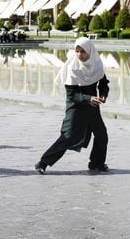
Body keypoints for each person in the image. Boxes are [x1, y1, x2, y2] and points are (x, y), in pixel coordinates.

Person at [34, 37, 109, 174]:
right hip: (76, 108)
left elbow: (103, 83)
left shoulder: (97, 65)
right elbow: (72, 95)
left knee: (101, 135)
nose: (80, 55)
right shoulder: (71, 68)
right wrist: (89, 98)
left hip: (92, 107)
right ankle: (43, 162)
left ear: (90, 51)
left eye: (83, 51)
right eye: (77, 51)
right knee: (68, 137)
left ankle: (96, 163)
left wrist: (103, 94)